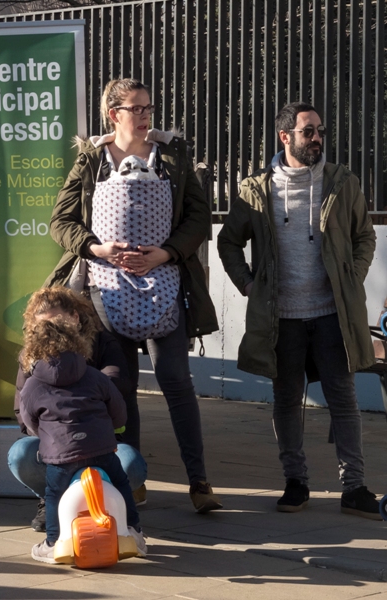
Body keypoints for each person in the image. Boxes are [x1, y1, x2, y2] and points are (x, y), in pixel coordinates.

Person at [46, 78, 222, 513]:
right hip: (106, 288)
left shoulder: (174, 156)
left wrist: (167, 252)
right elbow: (60, 221)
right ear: (114, 115)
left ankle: (199, 482)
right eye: (136, 109)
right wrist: (97, 249)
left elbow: (199, 218)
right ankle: (133, 480)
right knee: (121, 388)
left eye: (148, 108)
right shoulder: (91, 161)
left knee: (176, 381)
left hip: (165, 284)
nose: (145, 117)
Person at [217, 102, 381, 520]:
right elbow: (228, 243)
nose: (318, 139)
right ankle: (296, 482)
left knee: (343, 399)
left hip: (331, 314)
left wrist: (351, 277)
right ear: (285, 137)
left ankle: (355, 487)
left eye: (320, 131)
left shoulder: (341, 183)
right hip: (281, 317)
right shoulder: (255, 189)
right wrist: (250, 285)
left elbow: (365, 237)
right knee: (287, 400)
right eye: (309, 132)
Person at [9, 286, 147, 532]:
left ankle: (56, 536)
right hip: (58, 445)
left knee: (132, 464)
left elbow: (118, 382)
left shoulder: (102, 343)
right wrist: (55, 432)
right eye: (42, 326)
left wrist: (74, 401)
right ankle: (129, 528)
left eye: (56, 322)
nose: (50, 331)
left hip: (103, 442)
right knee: (20, 454)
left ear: (75, 316)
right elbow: (22, 412)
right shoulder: (29, 356)